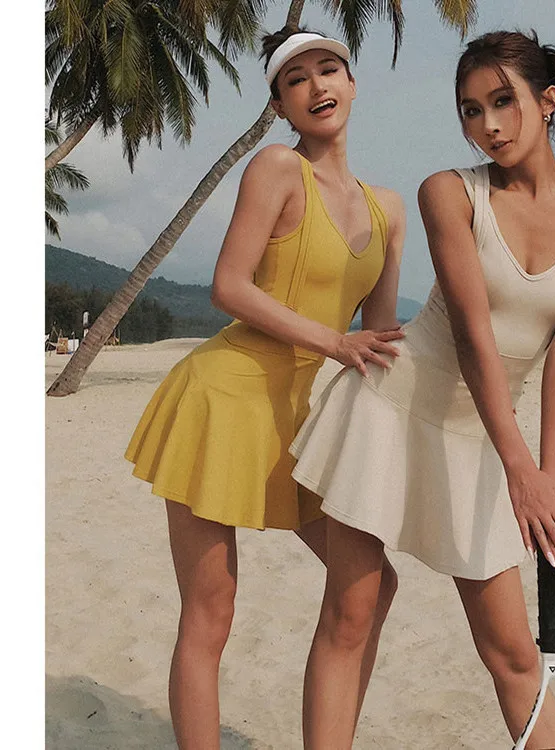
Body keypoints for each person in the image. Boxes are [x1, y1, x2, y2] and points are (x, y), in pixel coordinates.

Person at [290, 29, 555, 749]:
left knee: (513, 654)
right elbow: (472, 337)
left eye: (503, 102)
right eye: (471, 110)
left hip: (481, 438)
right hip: (391, 409)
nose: (488, 125)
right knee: (351, 615)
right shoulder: (448, 192)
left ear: (547, 101)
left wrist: (549, 488)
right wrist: (521, 469)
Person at [124, 25, 406, 750]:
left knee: (372, 588)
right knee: (211, 608)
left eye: (328, 69)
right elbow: (229, 286)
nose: (317, 86)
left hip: (306, 419)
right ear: (280, 106)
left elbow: (378, 342)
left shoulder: (388, 208)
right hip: (223, 400)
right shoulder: (278, 167)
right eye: (295, 80)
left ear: (352, 83)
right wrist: (334, 343)